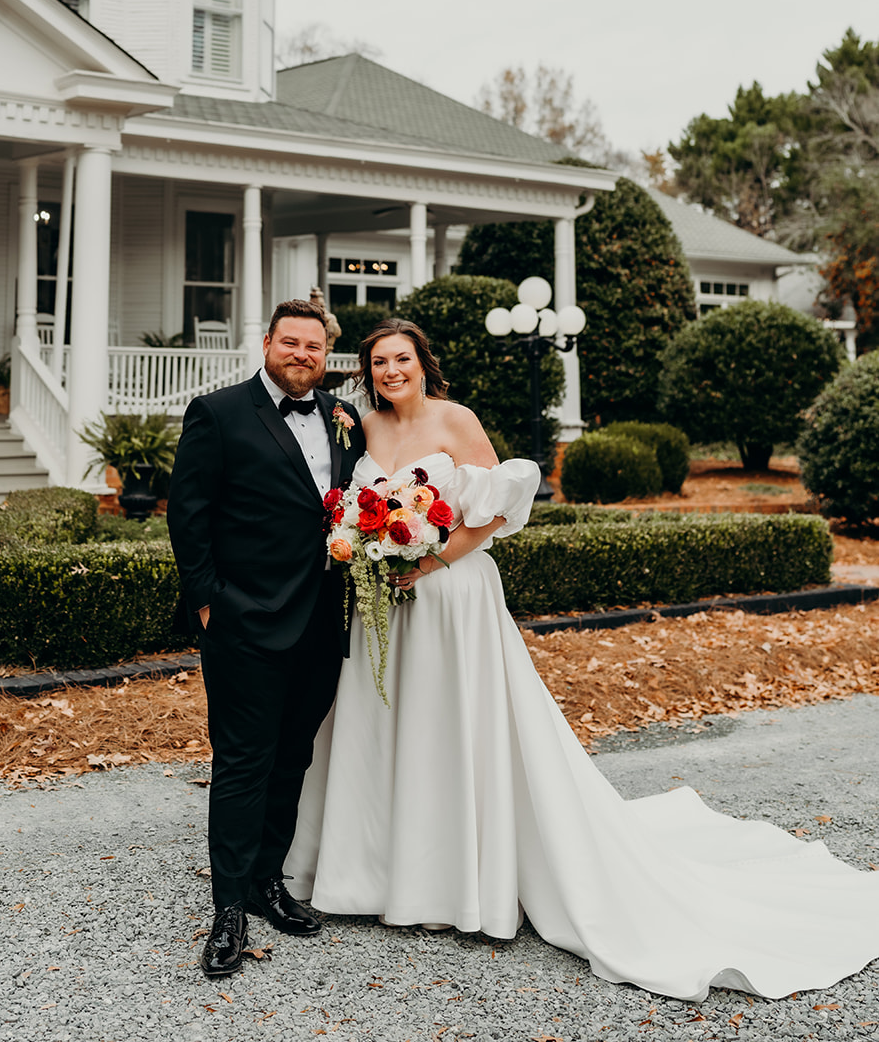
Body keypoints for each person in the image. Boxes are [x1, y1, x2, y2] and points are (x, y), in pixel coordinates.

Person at [285, 317, 879, 1003]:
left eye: (402, 359)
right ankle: (377, 870)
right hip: (384, 603)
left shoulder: (456, 420)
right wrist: (370, 548)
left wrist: (428, 559)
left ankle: (460, 879)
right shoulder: (364, 428)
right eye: (379, 362)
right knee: (389, 726)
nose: (391, 371)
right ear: (367, 371)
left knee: (459, 730)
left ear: (423, 363)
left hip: (453, 596)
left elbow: (494, 512)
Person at [167, 299, 364, 978]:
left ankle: (266, 881)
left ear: (324, 355)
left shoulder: (344, 420)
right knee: (244, 761)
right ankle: (227, 909)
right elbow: (187, 514)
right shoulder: (217, 413)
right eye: (291, 342)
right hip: (244, 621)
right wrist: (205, 603)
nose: (302, 355)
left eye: (314, 346)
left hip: (322, 618)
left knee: (292, 758)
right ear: (266, 343)